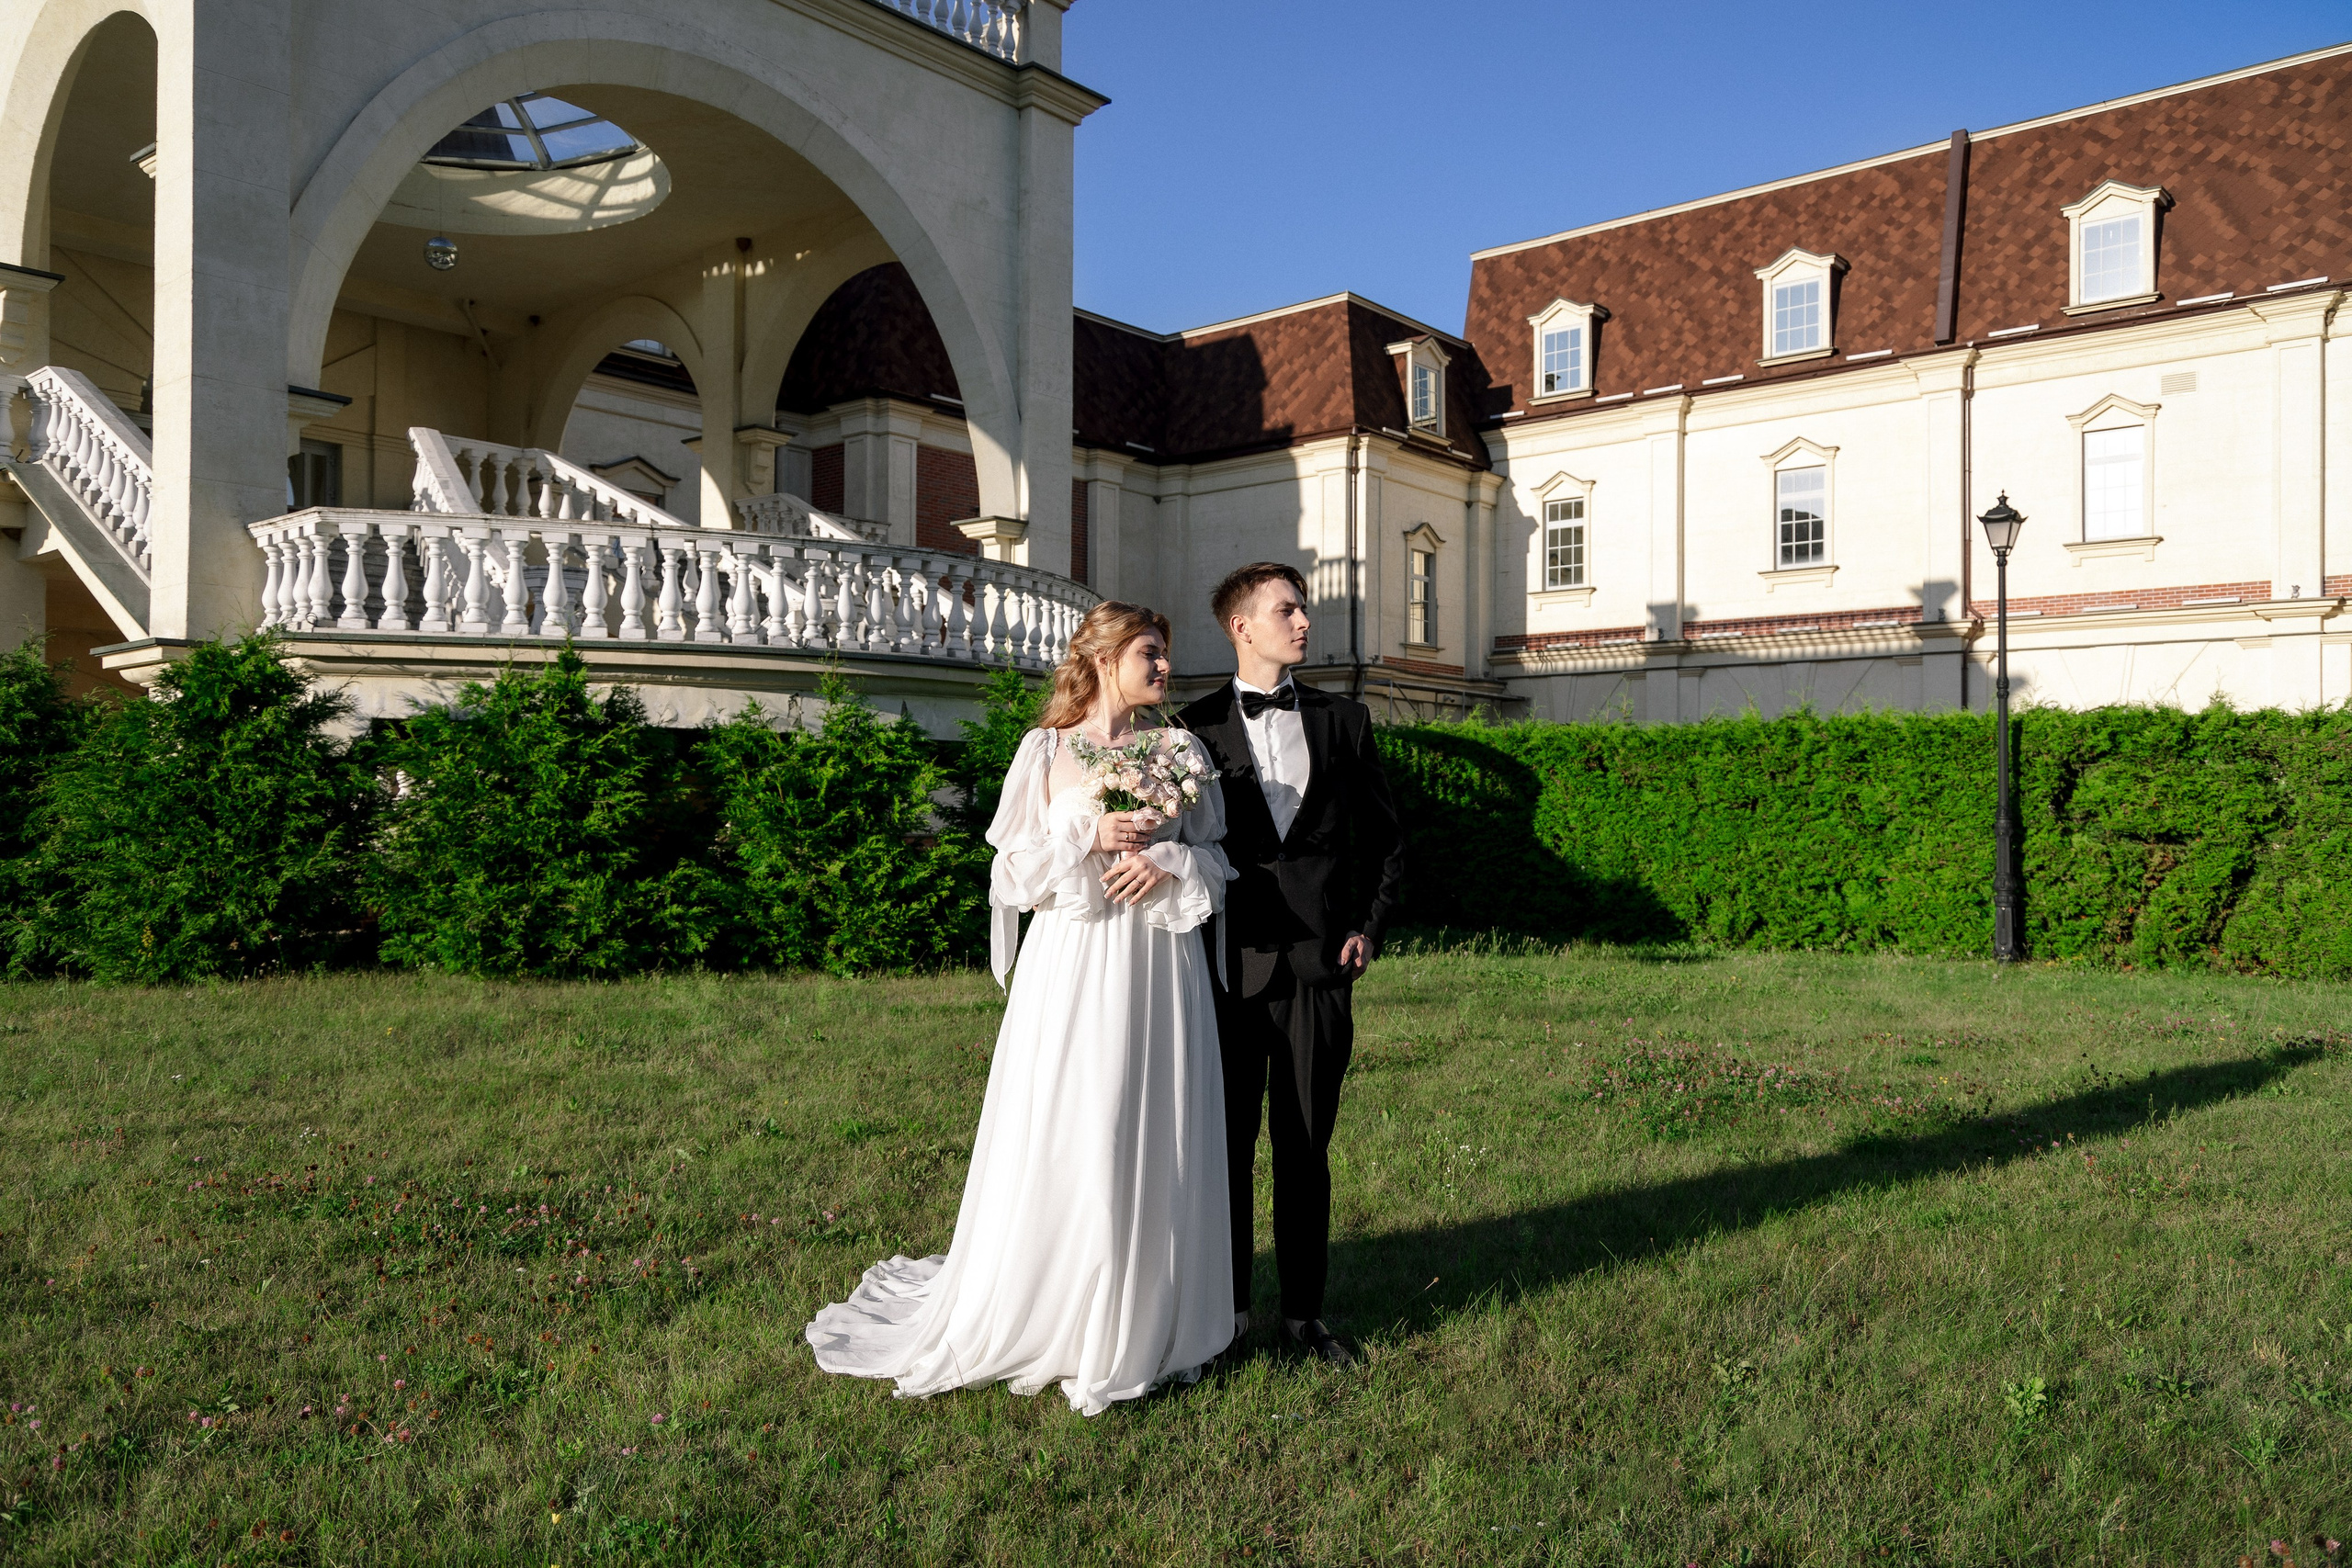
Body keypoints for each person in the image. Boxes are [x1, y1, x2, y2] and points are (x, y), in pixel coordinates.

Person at [804, 601, 1237, 1416]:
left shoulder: (1179, 749)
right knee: (1078, 1120)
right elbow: (1014, 874)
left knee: (1150, 1120)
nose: (1166, 667)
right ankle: (1061, 1303)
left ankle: (1147, 1311)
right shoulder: (1045, 751)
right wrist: (1091, 834)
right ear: (1107, 657)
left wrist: (1170, 859)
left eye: (1165, 653)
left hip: (1155, 961)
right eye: (1152, 651)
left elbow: (1217, 856)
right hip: (1073, 964)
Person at [1179, 562, 1405, 1368]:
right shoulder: (1191, 730)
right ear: (1243, 627)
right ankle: (1230, 1317)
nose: (1304, 621)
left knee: (1305, 1148)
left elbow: (1387, 839)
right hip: (1227, 973)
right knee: (1227, 1151)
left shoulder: (1346, 721)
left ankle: (1305, 1317)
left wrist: (1367, 930)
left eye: (1303, 609)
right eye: (1288, 610)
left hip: (1319, 970)